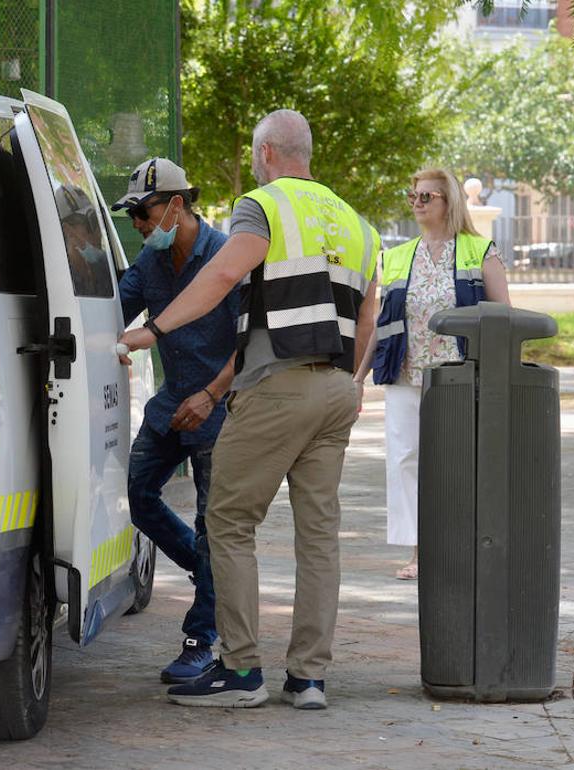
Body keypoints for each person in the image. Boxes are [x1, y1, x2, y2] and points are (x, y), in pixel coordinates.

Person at [118, 110, 379, 710]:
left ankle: (240, 672)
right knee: (320, 538)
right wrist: (351, 381)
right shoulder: (357, 223)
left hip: (276, 384)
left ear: (265, 153)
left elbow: (225, 272)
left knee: (229, 523)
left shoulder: (262, 206)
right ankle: (309, 679)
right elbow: (368, 316)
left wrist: (153, 330)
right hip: (338, 388)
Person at [112, 158, 237, 683]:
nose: (138, 224)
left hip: (219, 411)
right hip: (169, 408)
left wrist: (210, 396)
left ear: (177, 205)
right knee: (136, 495)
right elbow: (112, 310)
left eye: (143, 212)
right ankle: (208, 575)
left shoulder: (229, 257)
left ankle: (200, 639)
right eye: (134, 216)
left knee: (216, 529)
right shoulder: (149, 261)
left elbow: (252, 344)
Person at [353, 169, 511, 580]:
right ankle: (420, 554)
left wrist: (503, 376)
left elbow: (503, 319)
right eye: (413, 196)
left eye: (427, 196)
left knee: (459, 463)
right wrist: (358, 379)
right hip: (406, 375)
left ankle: (465, 549)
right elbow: (384, 323)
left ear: (448, 201)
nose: (418, 202)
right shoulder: (399, 255)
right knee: (405, 461)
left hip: (460, 377)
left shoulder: (481, 250)